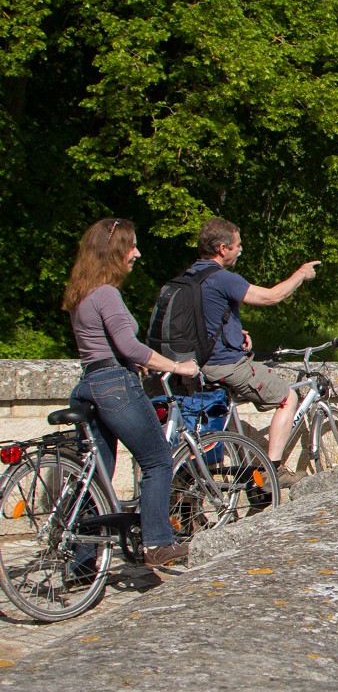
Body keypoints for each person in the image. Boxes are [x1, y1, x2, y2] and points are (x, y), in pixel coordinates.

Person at [64, 218, 200, 569]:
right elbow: (130, 346)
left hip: (88, 385)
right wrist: (176, 366)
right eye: (131, 246)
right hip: (114, 386)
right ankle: (157, 544)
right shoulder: (107, 293)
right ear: (114, 251)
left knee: (96, 476)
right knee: (157, 461)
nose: (136, 253)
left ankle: (81, 562)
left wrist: (133, 362)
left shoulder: (82, 292)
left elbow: (105, 348)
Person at [191, 218, 319, 488]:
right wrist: (301, 274)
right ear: (223, 248)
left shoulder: (191, 276)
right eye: (237, 246)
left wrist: (237, 334)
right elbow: (271, 296)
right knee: (288, 396)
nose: (240, 251)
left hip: (198, 363)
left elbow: (206, 320)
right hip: (225, 365)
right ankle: (273, 472)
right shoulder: (223, 278)